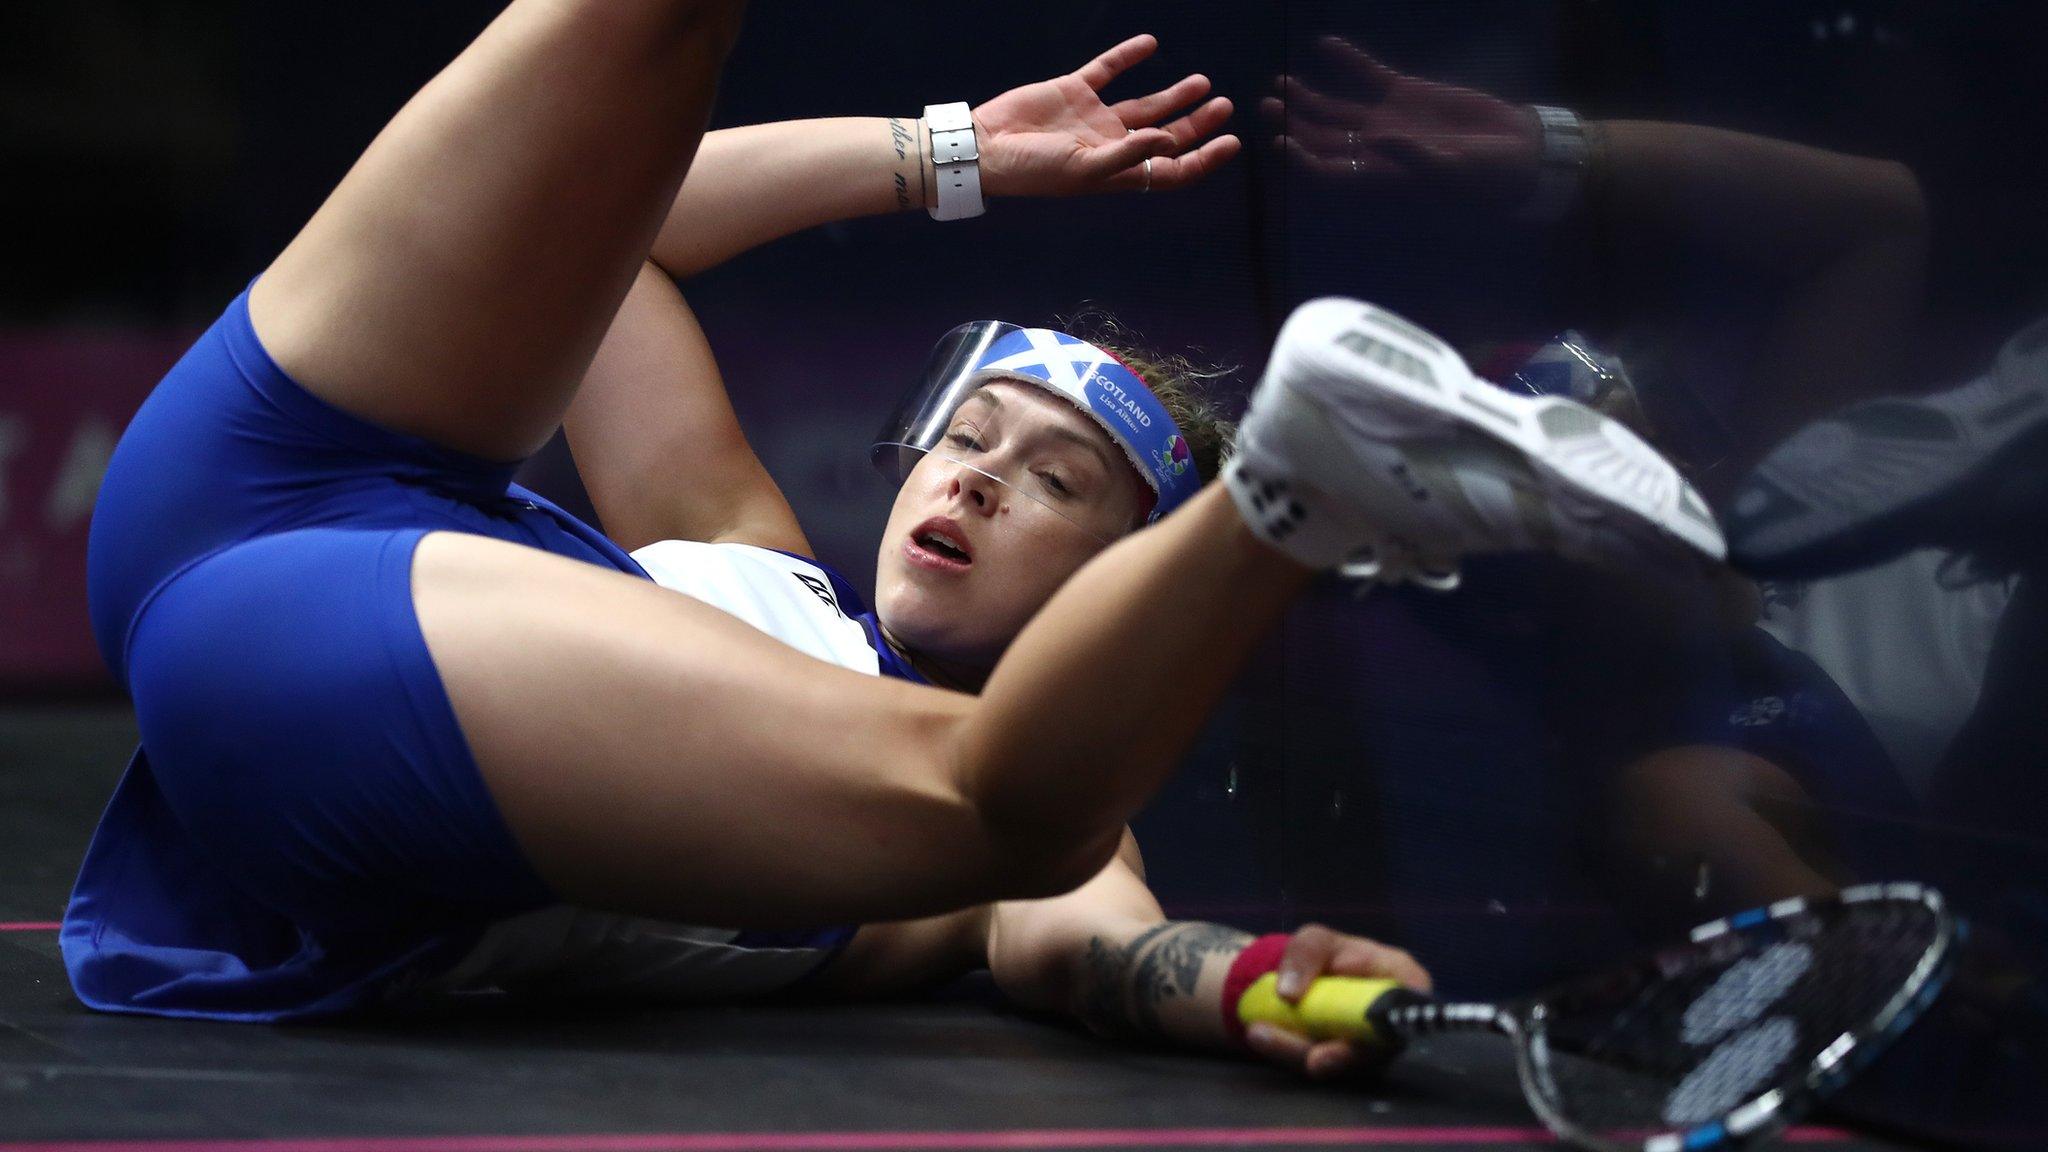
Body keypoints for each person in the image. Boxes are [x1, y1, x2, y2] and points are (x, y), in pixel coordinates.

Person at [64, 1, 1714, 1079]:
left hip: (314, 732)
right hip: (240, 486)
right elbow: (616, 249)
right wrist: (946, 159)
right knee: (643, 37)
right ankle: (1303, 487)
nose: (980, 481)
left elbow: (1097, 947)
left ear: (1126, 577)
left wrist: (1246, 983)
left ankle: (1290, 495)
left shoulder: (1040, 830)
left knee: (1002, 806)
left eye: (1059, 483)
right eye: (972, 438)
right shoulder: (738, 537)